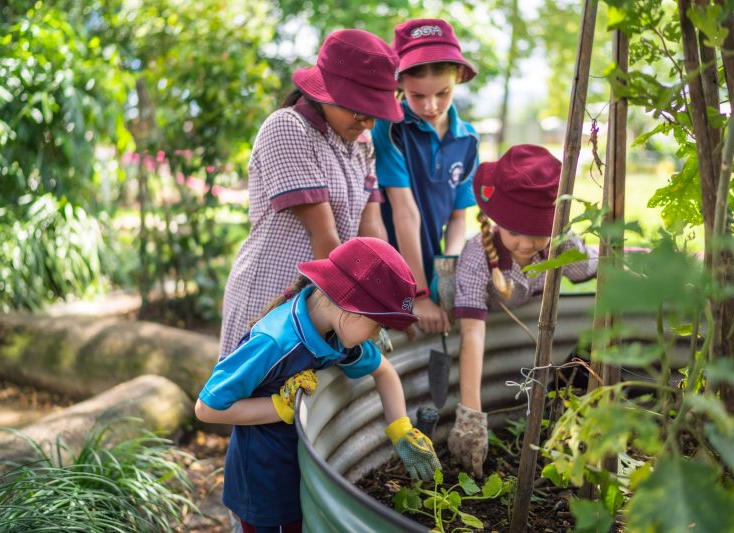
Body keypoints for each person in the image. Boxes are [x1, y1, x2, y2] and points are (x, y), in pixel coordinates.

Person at [195, 237, 442, 532]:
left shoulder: (337, 335)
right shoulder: (275, 341)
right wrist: (279, 407)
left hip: (297, 471)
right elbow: (207, 408)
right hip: (265, 484)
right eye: (378, 325)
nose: (377, 336)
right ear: (351, 309)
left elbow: (384, 372)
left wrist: (401, 430)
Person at [218, 29, 403, 354]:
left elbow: (372, 229)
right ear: (326, 92)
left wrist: (383, 291)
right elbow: (324, 236)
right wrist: (361, 308)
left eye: (374, 114)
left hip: (330, 300)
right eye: (360, 111)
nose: (368, 124)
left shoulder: (362, 144)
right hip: (275, 294)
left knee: (301, 395)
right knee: (249, 392)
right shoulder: (288, 128)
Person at [448, 144, 599, 477]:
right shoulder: (478, 255)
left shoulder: (560, 246)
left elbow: (597, 264)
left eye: (538, 233)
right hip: (485, 329)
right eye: (515, 232)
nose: (527, 245)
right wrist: (471, 413)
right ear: (496, 220)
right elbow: (472, 331)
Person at [371, 18, 479, 335]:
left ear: (458, 76)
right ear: (400, 83)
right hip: (391, 271)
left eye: (443, 93)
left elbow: (459, 217)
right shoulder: (389, 128)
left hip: (432, 266)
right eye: (417, 96)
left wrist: (449, 265)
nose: (431, 106)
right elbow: (404, 212)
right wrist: (417, 292)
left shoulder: (468, 140)